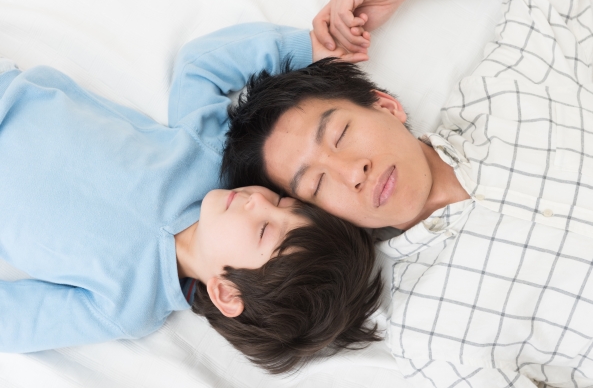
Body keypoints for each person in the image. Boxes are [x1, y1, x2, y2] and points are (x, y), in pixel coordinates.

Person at [221, 0, 593, 386]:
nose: (352, 172)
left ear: (385, 105)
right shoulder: (432, 334)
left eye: (341, 133)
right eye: (318, 183)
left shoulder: (511, 89)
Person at [0, 23, 383, 374]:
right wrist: (306, 48)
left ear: (226, 293)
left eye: (265, 230)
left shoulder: (128, 306)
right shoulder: (212, 158)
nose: (260, 200)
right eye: (284, 203)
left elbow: (15, 320)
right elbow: (201, 69)